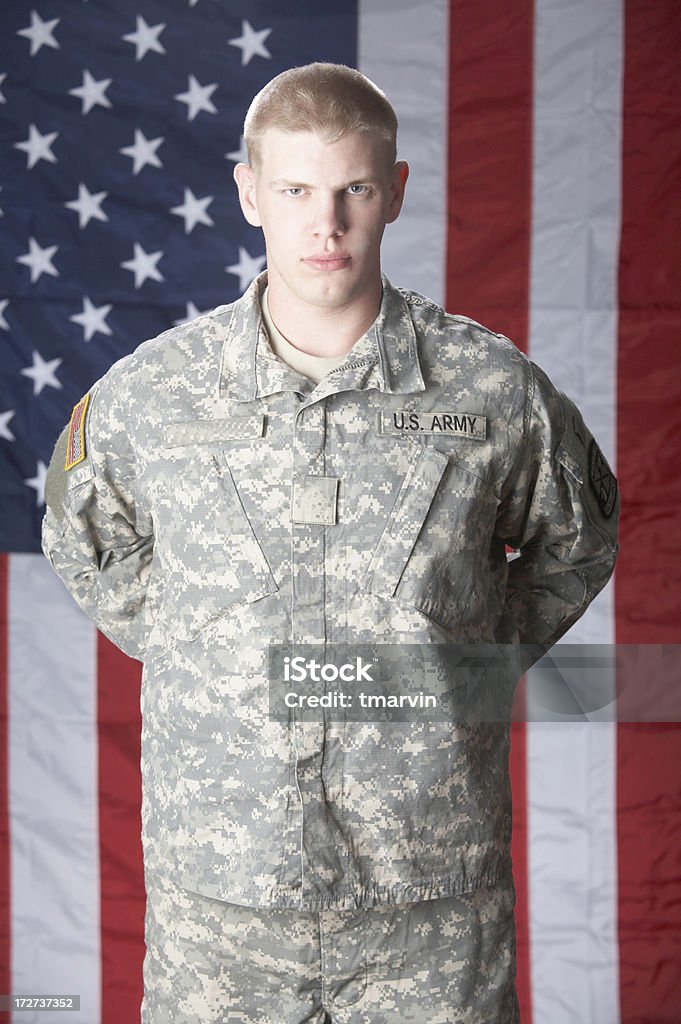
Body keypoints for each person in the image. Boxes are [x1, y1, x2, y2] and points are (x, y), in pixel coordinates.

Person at [42, 63, 619, 1023]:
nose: (326, 225)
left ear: (394, 192)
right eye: (297, 191)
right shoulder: (153, 393)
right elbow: (82, 532)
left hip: (428, 906)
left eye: (353, 189)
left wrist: (463, 655)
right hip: (222, 901)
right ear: (248, 192)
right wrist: (205, 648)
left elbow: (580, 536)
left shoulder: (489, 392)